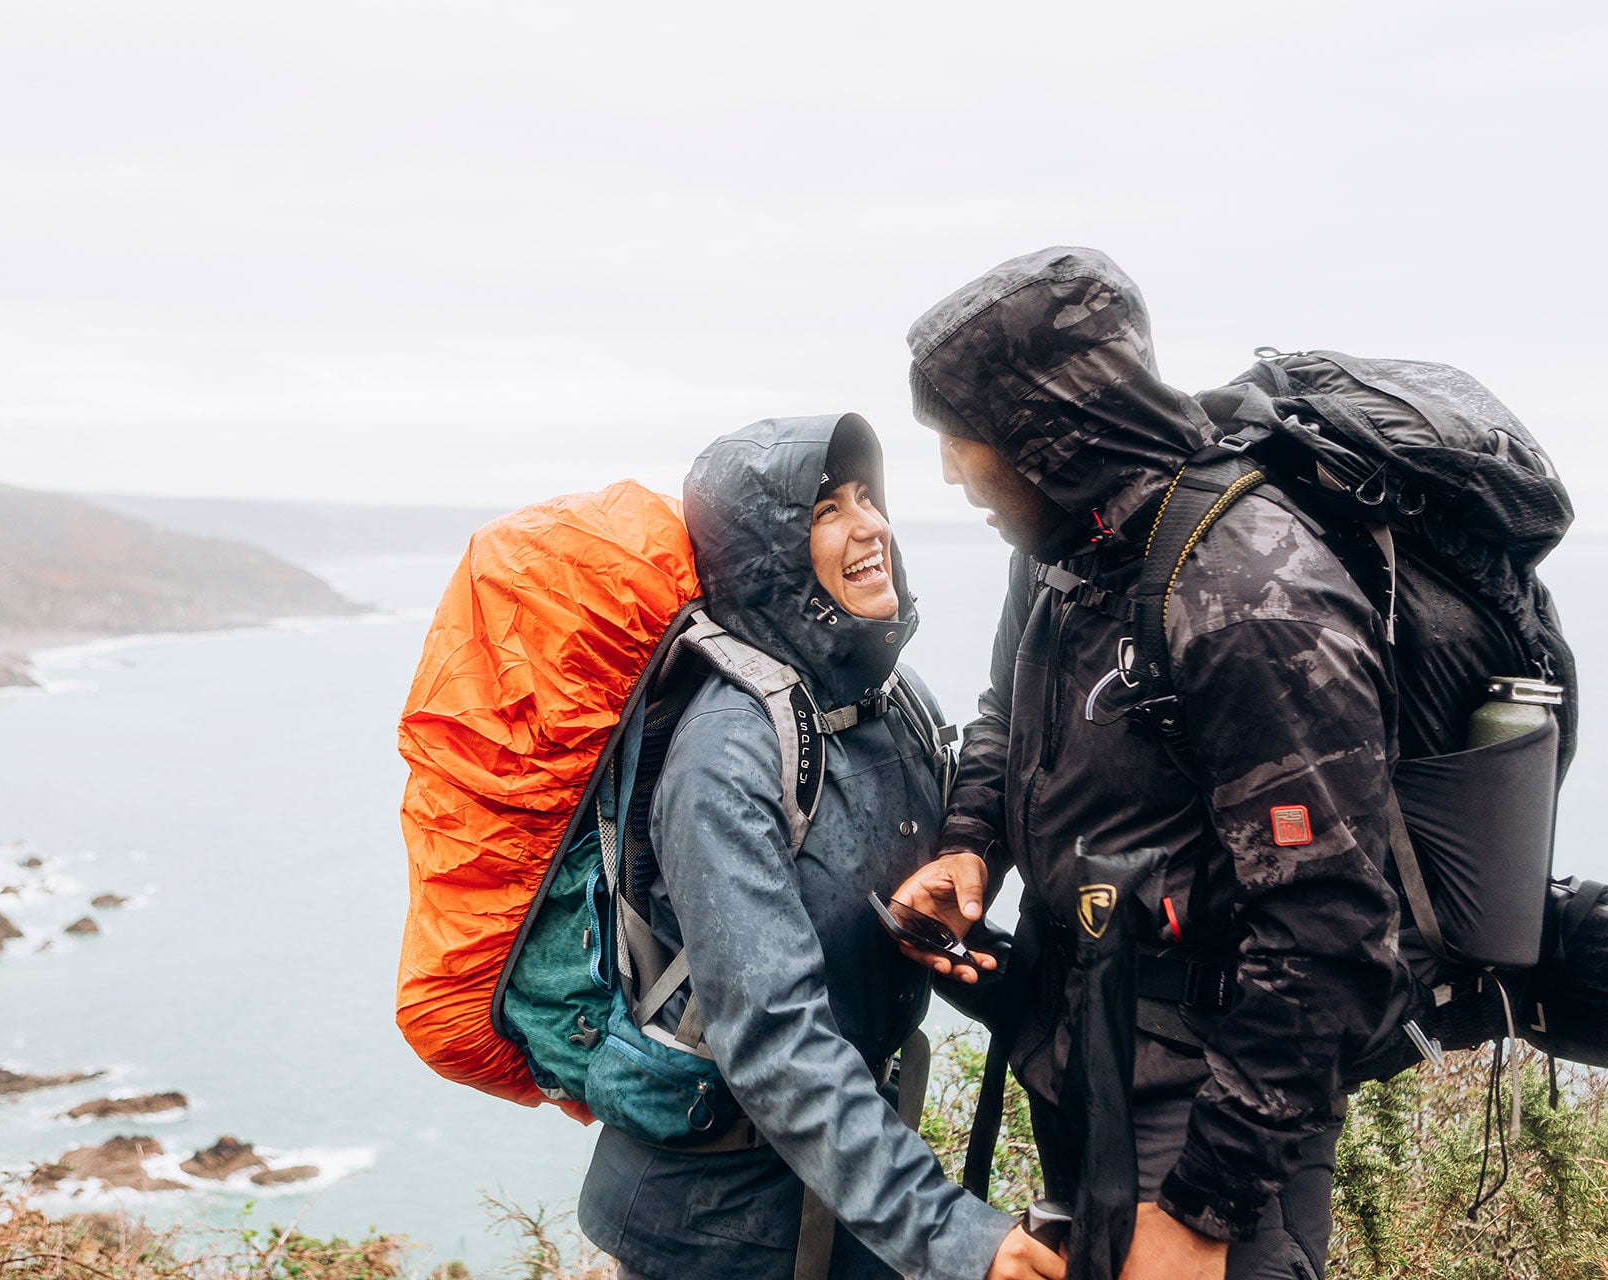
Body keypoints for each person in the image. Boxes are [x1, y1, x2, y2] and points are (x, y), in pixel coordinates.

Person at [890, 248, 1414, 1280]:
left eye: (965, 438)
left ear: (1048, 429)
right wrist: (971, 846)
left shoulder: (1250, 591)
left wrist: (1202, 1206)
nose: (951, 468)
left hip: (1206, 1106)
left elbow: (1334, 931)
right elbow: (1011, 713)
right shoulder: (1063, 543)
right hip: (1086, 1048)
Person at [577, 413, 1064, 1280]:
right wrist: (958, 1238)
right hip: (714, 1230)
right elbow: (774, 1038)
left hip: (845, 1200)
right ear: (766, 553)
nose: (872, 525)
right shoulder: (728, 753)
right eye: (824, 511)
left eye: (868, 497)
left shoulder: (887, 697)